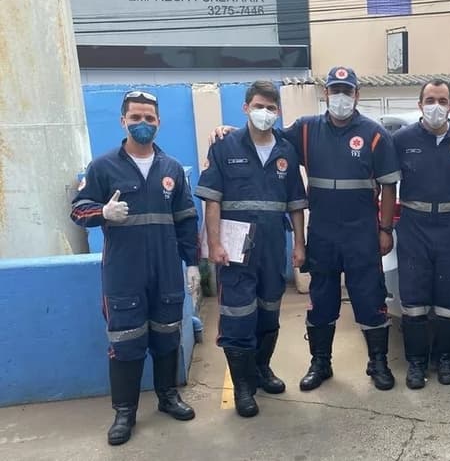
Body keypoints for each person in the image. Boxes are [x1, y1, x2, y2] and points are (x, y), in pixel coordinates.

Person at [211, 66, 401, 391]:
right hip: (323, 234)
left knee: (370, 298)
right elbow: (265, 137)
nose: (340, 97)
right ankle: (320, 363)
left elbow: (388, 187)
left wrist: (385, 230)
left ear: (357, 95)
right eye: (335, 90)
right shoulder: (305, 129)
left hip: (362, 235)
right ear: (325, 93)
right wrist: (229, 131)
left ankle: (378, 363)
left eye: (347, 91)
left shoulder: (374, 134)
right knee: (322, 301)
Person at [71, 90, 199, 446]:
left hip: (166, 271)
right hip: (124, 272)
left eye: (149, 118)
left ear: (159, 123)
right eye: (136, 118)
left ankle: (168, 397)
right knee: (125, 341)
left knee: (167, 334)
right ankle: (124, 412)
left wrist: (192, 264)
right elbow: (78, 209)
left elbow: (187, 218)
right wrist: (102, 213)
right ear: (122, 121)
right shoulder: (103, 167)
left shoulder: (172, 168)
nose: (143, 124)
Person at [195, 81, 306, 417]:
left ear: (278, 112)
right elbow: (212, 201)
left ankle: (261, 369)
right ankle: (243, 387)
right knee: (237, 315)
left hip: (272, 245)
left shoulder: (286, 150)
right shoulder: (224, 145)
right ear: (246, 108)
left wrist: (299, 244)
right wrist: (214, 243)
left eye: (271, 108)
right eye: (259, 106)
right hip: (234, 247)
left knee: (269, 310)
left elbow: (295, 203)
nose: (265, 113)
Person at [392, 79, 450, 389]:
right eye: (430, 100)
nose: (435, 106)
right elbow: (386, 182)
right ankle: (416, 363)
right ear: (420, 104)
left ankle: (445, 359)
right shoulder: (401, 140)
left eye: (442, 100)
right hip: (414, 224)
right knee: (413, 298)